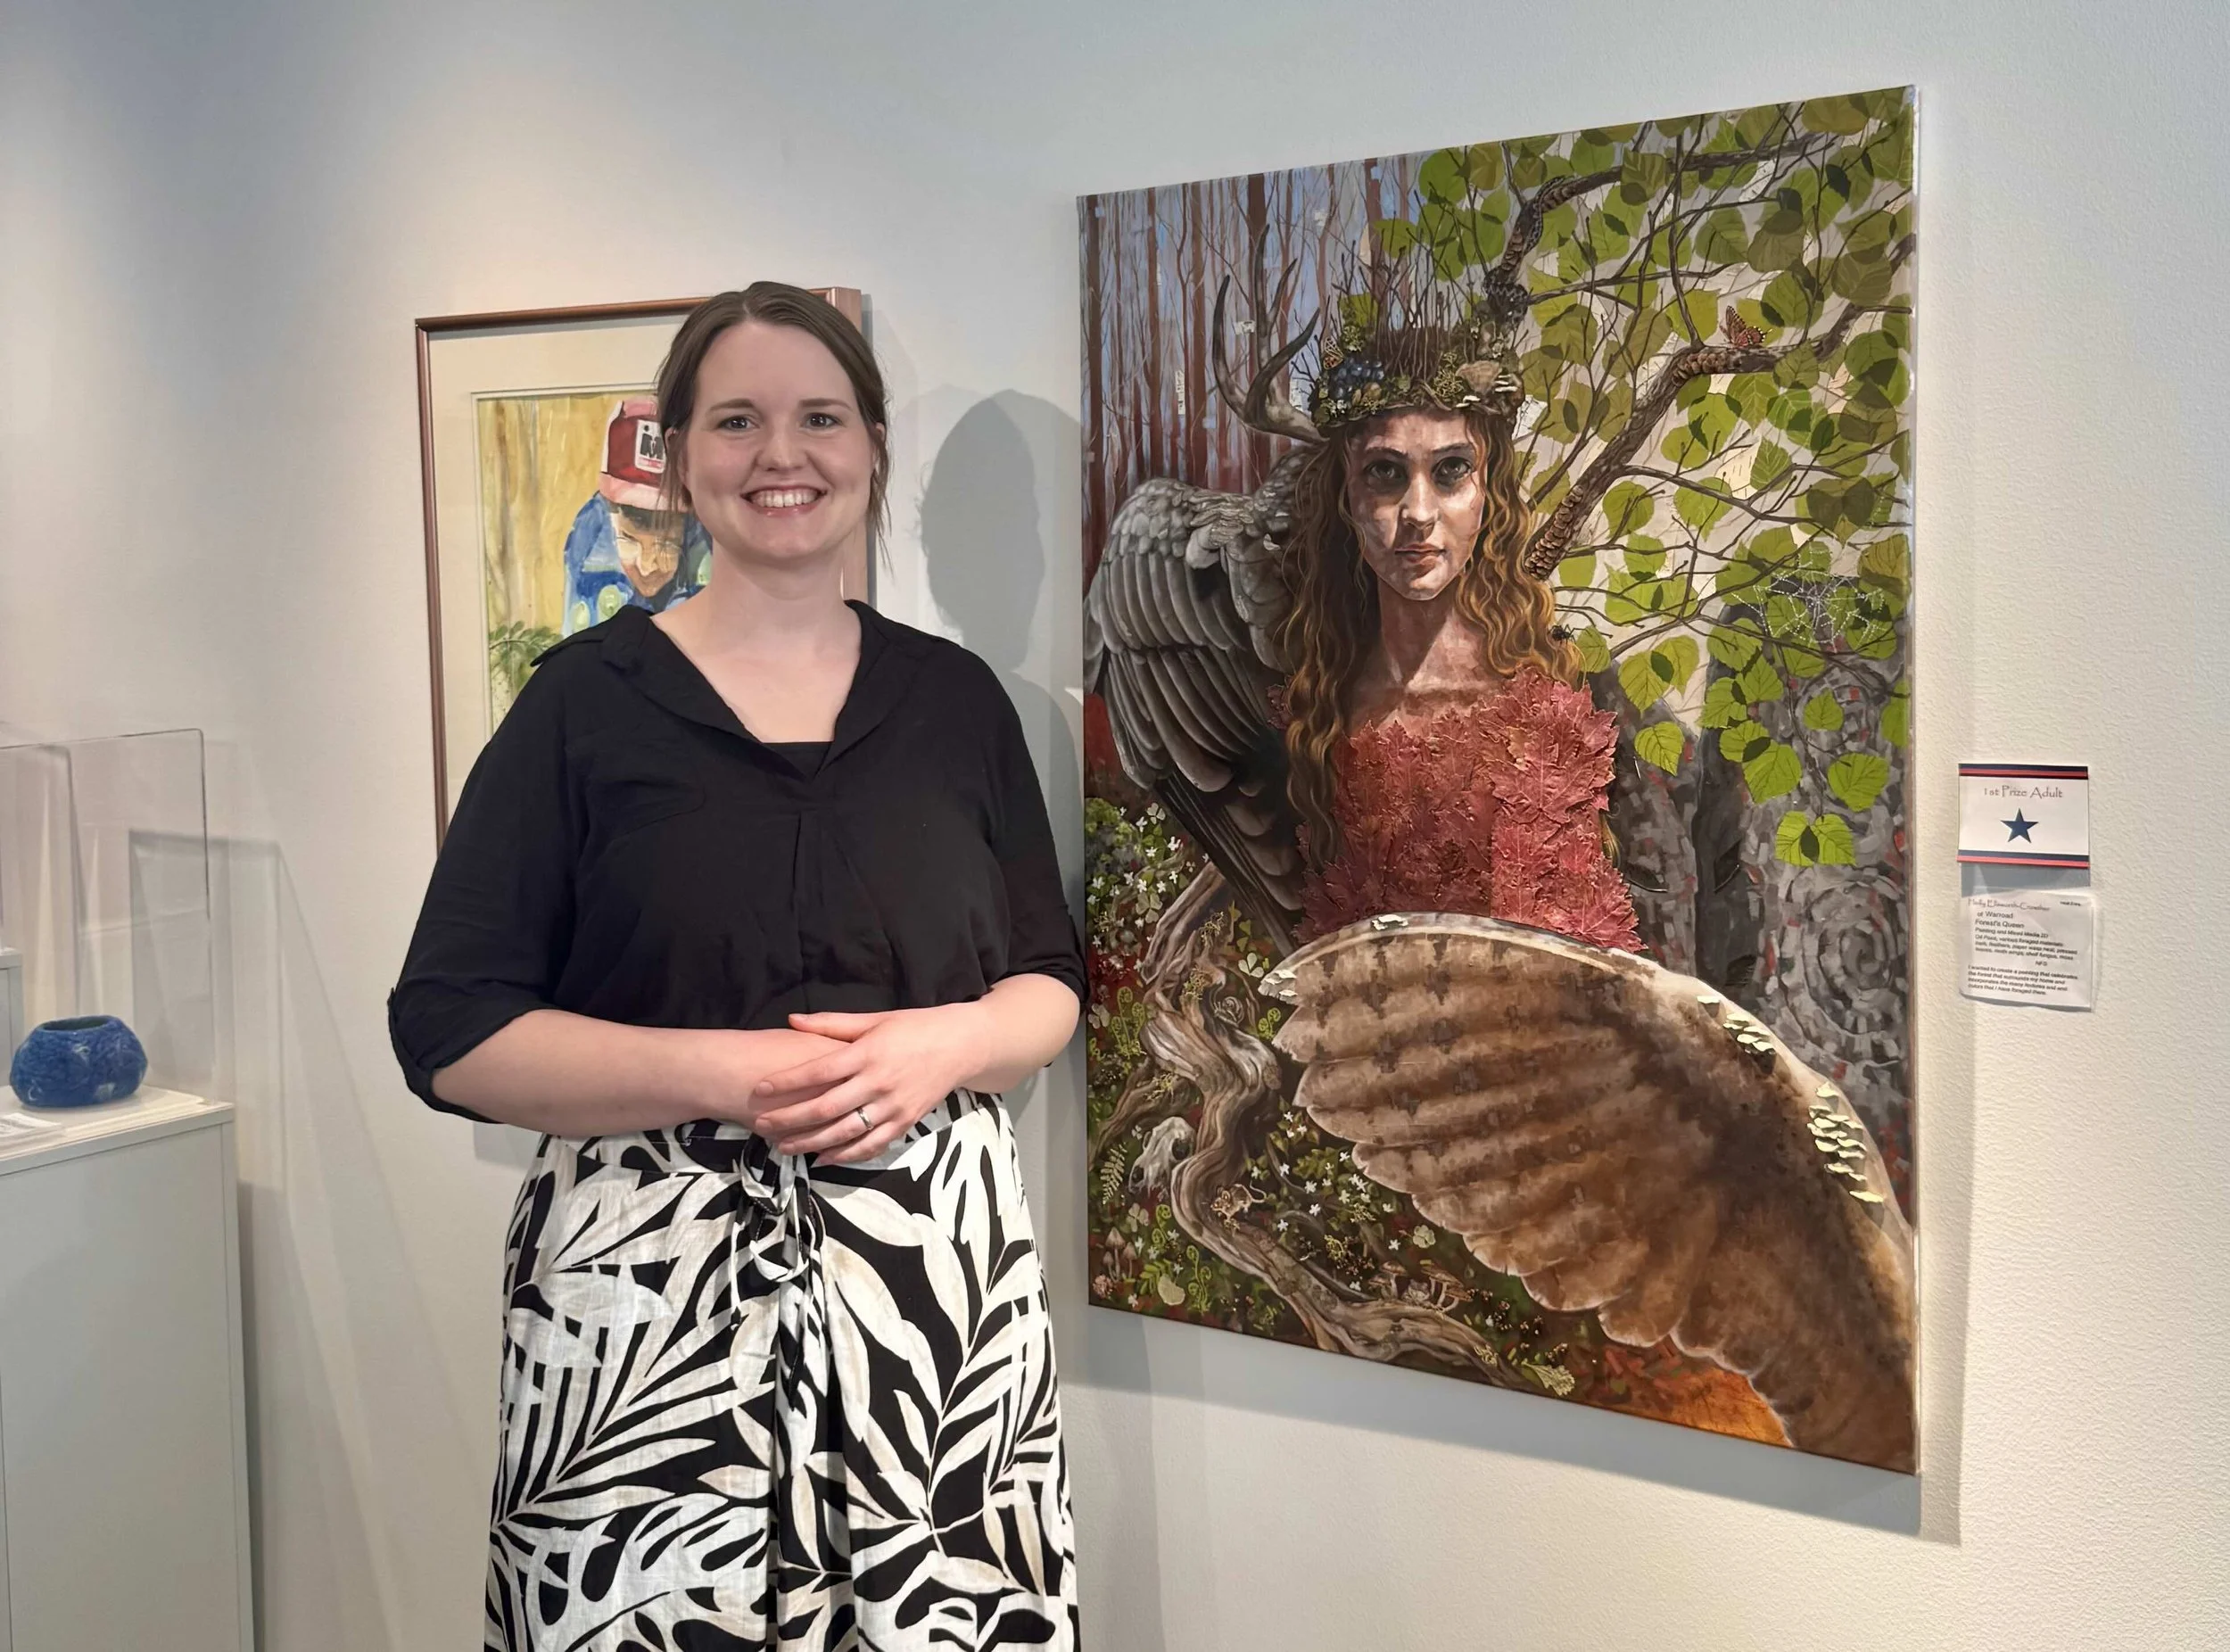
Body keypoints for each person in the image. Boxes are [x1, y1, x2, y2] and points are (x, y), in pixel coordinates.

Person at [390, 283, 1084, 1650]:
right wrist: (728, 1073)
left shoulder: (957, 705)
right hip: (647, 1319)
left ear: (872, 448)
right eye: (738, 421)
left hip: (933, 1317)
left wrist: (941, 1046)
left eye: (821, 418)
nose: (783, 454)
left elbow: (1049, 980)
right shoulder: (581, 708)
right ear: (681, 455)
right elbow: (450, 1027)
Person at [1276, 310, 1640, 949]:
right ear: (1347, 496)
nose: (1418, 513)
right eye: (1385, 472)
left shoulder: (1570, 695)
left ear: (1488, 491)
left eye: (1449, 471)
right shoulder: (1316, 715)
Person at [558, 394, 711, 633]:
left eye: (667, 545)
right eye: (628, 540)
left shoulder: (709, 540)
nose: (647, 567)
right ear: (611, 519)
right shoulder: (589, 539)